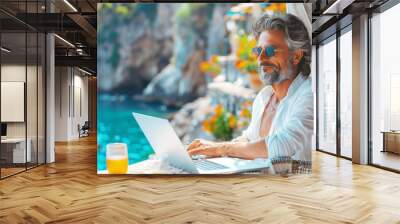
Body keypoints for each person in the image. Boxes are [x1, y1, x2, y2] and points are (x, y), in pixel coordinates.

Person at [187, 13, 313, 163]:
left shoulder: (309, 95)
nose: (260, 59)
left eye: (271, 51)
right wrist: (211, 149)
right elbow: (249, 139)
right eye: (258, 51)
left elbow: (280, 146)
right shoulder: (263, 97)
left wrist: (222, 148)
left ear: (296, 56)